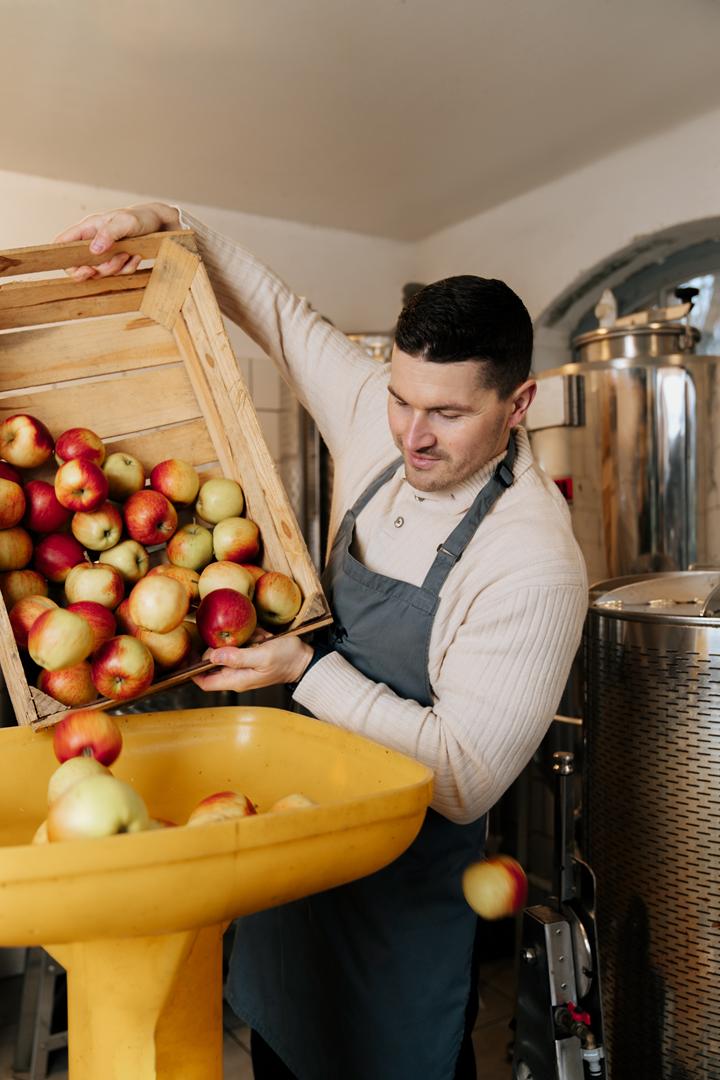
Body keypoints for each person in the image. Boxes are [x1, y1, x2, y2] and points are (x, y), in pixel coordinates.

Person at [57, 203, 588, 1080]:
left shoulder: (533, 562)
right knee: (281, 1044)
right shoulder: (381, 425)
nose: (412, 435)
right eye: (400, 400)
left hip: (398, 916)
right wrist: (167, 223)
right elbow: (277, 313)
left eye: (447, 414)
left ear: (518, 403)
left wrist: (306, 667)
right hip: (292, 867)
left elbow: (462, 779)